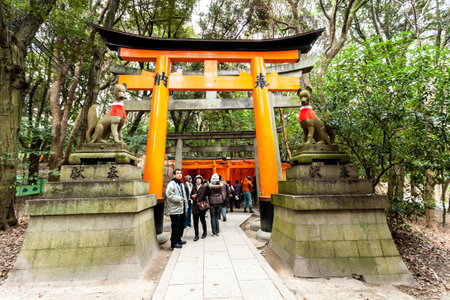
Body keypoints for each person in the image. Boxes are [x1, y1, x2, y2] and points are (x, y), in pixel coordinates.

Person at [165, 169, 188, 249]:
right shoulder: (171, 184)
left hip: (182, 208)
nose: (179, 175)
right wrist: (179, 198)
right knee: (175, 226)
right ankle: (173, 243)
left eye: (180, 173)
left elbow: (184, 196)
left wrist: (186, 205)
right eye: (177, 173)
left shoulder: (181, 183)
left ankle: (179, 239)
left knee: (181, 225)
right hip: (175, 209)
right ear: (174, 175)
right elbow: (169, 195)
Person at [191, 175, 209, 241]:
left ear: (201, 180)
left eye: (199, 179)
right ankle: (196, 235)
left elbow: (208, 193)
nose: (198, 180)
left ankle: (205, 232)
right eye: (197, 179)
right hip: (195, 207)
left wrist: (208, 186)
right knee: (195, 222)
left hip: (201, 207)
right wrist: (192, 196)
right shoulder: (193, 187)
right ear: (195, 180)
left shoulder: (204, 187)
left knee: (202, 220)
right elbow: (190, 195)